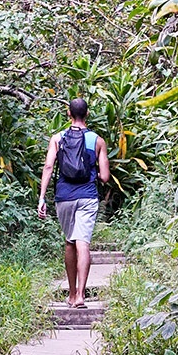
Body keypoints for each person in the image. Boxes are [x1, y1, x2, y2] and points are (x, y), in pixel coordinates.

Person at [37, 98, 110, 308]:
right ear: (87, 114)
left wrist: (42, 198)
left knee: (70, 241)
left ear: (68, 114)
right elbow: (104, 176)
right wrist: (92, 172)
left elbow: (49, 167)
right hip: (87, 196)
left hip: (64, 197)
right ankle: (80, 296)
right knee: (83, 242)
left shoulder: (57, 139)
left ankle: (70, 294)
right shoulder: (97, 141)